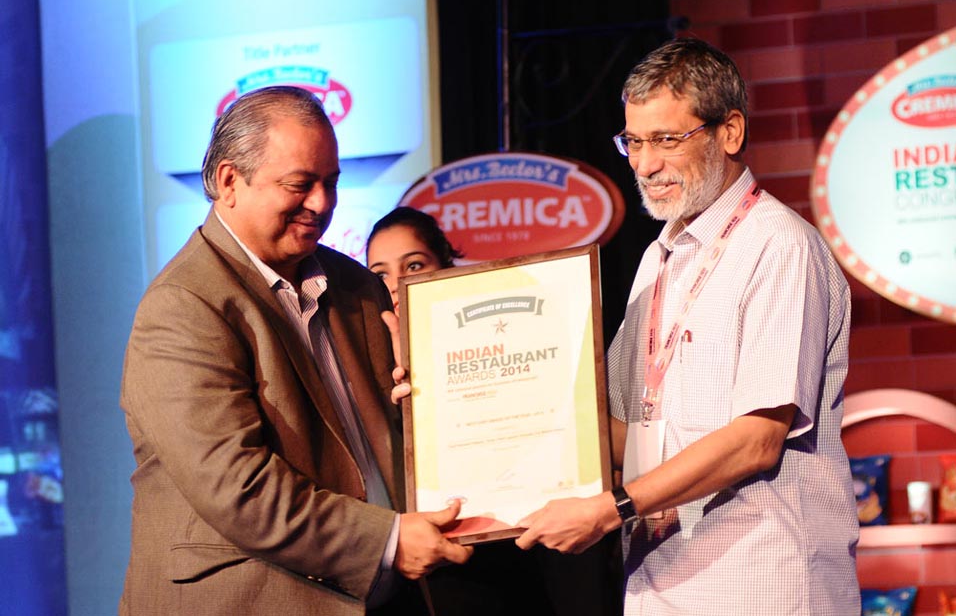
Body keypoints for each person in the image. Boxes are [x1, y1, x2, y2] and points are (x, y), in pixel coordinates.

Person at [514, 38, 860, 614]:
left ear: (730, 132)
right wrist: (475, 401)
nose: (645, 164)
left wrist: (612, 509)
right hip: (660, 585)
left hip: (762, 586)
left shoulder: (778, 246)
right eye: (634, 141)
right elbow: (627, 433)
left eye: (667, 140)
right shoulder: (659, 258)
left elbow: (757, 439)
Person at [119, 85, 472, 616]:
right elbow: (240, 490)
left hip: (387, 596)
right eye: (299, 184)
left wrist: (426, 403)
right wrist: (388, 542)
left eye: (331, 182)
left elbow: (391, 443)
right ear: (229, 181)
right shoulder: (182, 307)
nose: (322, 203)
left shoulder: (355, 284)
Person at [367, 207, 622, 616]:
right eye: (379, 274)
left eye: (413, 265)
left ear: (446, 267)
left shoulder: (516, 329)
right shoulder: (369, 372)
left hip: (551, 532)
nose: (397, 285)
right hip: (460, 557)